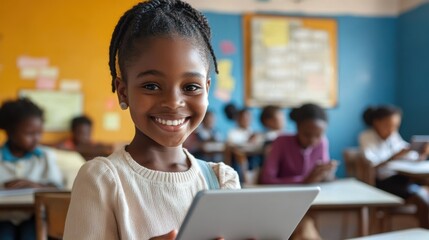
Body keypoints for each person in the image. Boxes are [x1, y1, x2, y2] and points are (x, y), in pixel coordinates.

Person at [63, 1, 240, 239]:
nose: (173, 102)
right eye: (151, 86)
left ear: (207, 90)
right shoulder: (103, 180)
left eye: (191, 87)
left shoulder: (221, 180)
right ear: (123, 92)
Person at [259, 103, 337, 240]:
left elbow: (323, 174)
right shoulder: (281, 142)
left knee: (305, 225)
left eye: (318, 135)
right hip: (281, 202)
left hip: (310, 202)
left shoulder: (322, 142)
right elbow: (266, 179)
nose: (313, 140)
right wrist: (304, 180)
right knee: (304, 227)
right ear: (297, 128)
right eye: (307, 135)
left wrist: (327, 173)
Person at [0, 98, 63, 240]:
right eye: (29, 134)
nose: (36, 139)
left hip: (35, 218)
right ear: (10, 132)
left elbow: (59, 190)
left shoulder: (45, 156)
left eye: (39, 133)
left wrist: (35, 185)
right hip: (3, 218)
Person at [359, 105, 429, 228]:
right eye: (388, 125)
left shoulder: (393, 136)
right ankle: (424, 230)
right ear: (377, 122)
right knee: (422, 197)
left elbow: (410, 155)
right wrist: (394, 156)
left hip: (401, 178)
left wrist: (421, 154)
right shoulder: (366, 137)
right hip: (383, 182)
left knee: (425, 188)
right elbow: (373, 165)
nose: (392, 129)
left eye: (396, 126)